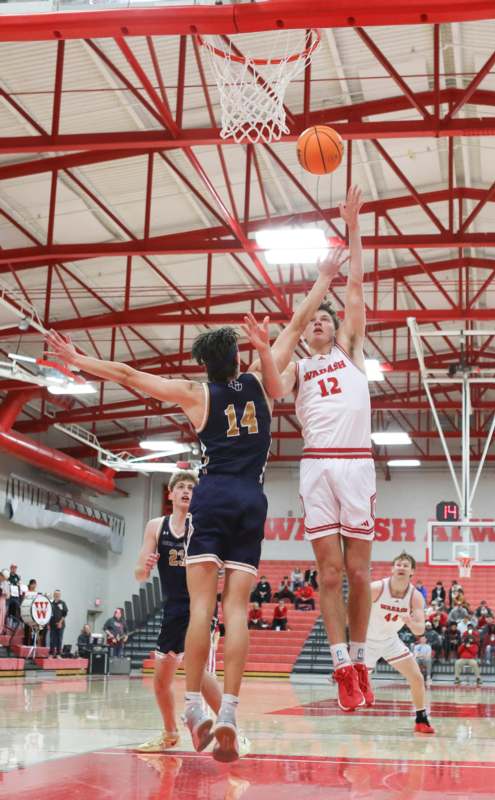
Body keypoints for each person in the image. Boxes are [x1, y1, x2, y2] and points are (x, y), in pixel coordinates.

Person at [47, 241, 341, 763]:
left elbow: (130, 376)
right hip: (252, 498)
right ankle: (227, 710)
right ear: (236, 358)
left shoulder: (196, 394)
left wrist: (78, 359)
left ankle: (192, 707)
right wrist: (323, 277)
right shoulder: (258, 378)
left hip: (213, 494)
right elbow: (295, 326)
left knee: (201, 607)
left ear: (205, 366)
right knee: (238, 610)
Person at [261, 186, 376, 712]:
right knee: (328, 575)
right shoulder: (298, 367)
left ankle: (360, 657)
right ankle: (340, 667)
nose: (318, 324)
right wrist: (268, 349)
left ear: (336, 328)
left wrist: (352, 228)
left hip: (355, 465)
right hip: (315, 467)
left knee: (357, 574)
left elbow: (354, 287)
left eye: (322, 319)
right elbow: (273, 389)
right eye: (311, 323)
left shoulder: (351, 350)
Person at [133, 470, 229, 754]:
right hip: (173, 608)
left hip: (200, 604)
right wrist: (146, 566)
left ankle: (230, 729)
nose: (187, 491)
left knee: (195, 670)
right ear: (171, 494)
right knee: (161, 681)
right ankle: (170, 733)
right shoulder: (155, 526)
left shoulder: (202, 525)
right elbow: (138, 574)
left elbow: (220, 564)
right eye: (181, 487)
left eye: (191, 488)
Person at [365, 552, 433, 733]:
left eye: (405, 565)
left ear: (412, 572)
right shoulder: (376, 588)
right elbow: (352, 612)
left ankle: (421, 719)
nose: (401, 567)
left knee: (417, 678)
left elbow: (420, 630)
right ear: (392, 569)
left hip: (390, 640)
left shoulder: (415, 596)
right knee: (359, 692)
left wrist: (410, 622)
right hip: (366, 641)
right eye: (398, 564)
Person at [49, 590, 68, 657]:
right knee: (52, 639)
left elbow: (64, 614)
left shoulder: (62, 603)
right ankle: (51, 653)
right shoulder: (51, 604)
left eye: (58, 595)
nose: (57, 596)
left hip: (61, 624)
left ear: (60, 595)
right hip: (52, 624)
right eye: (56, 594)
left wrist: (60, 622)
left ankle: (58, 654)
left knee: (59, 639)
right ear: (54, 595)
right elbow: (49, 614)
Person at [0, 569, 9, 634]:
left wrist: (3, 593)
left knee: (2, 616)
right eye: (2, 577)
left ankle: (0, 630)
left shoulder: (6, 583)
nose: (3, 579)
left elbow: (8, 595)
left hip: (2, 601)